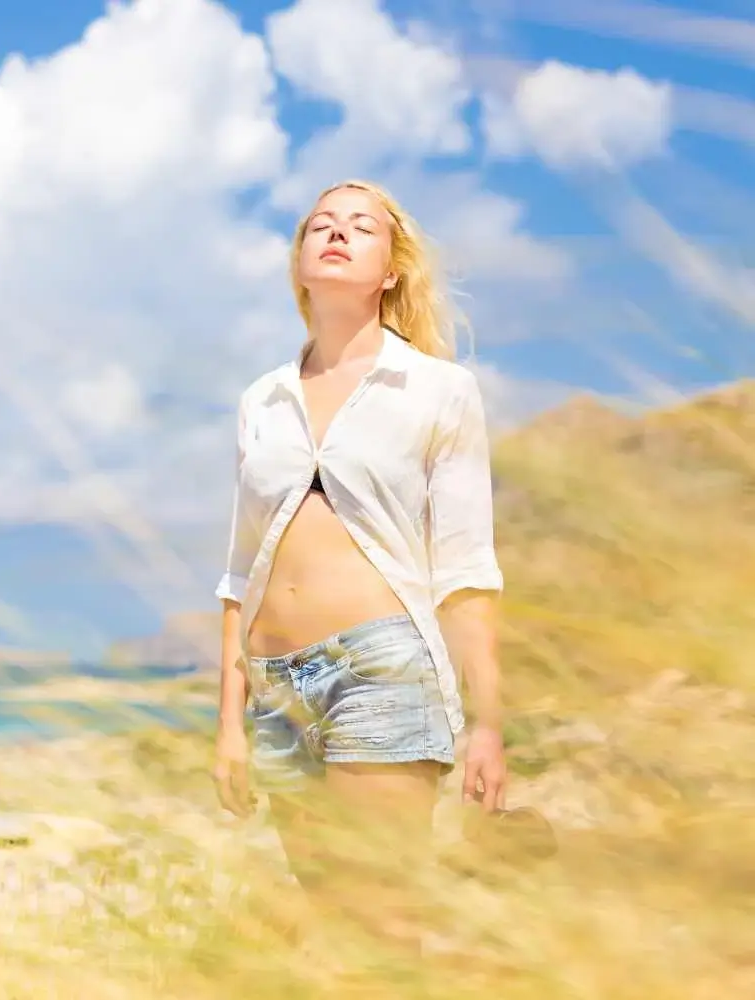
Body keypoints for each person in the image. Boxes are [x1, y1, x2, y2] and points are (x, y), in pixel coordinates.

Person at [212, 179, 507, 941]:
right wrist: (230, 726)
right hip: (278, 688)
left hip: (382, 667)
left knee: (379, 921)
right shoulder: (262, 401)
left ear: (390, 272)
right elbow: (241, 572)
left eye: (360, 227)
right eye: (320, 225)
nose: (336, 234)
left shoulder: (439, 390)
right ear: (300, 265)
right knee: (334, 930)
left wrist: (487, 724)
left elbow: (467, 566)